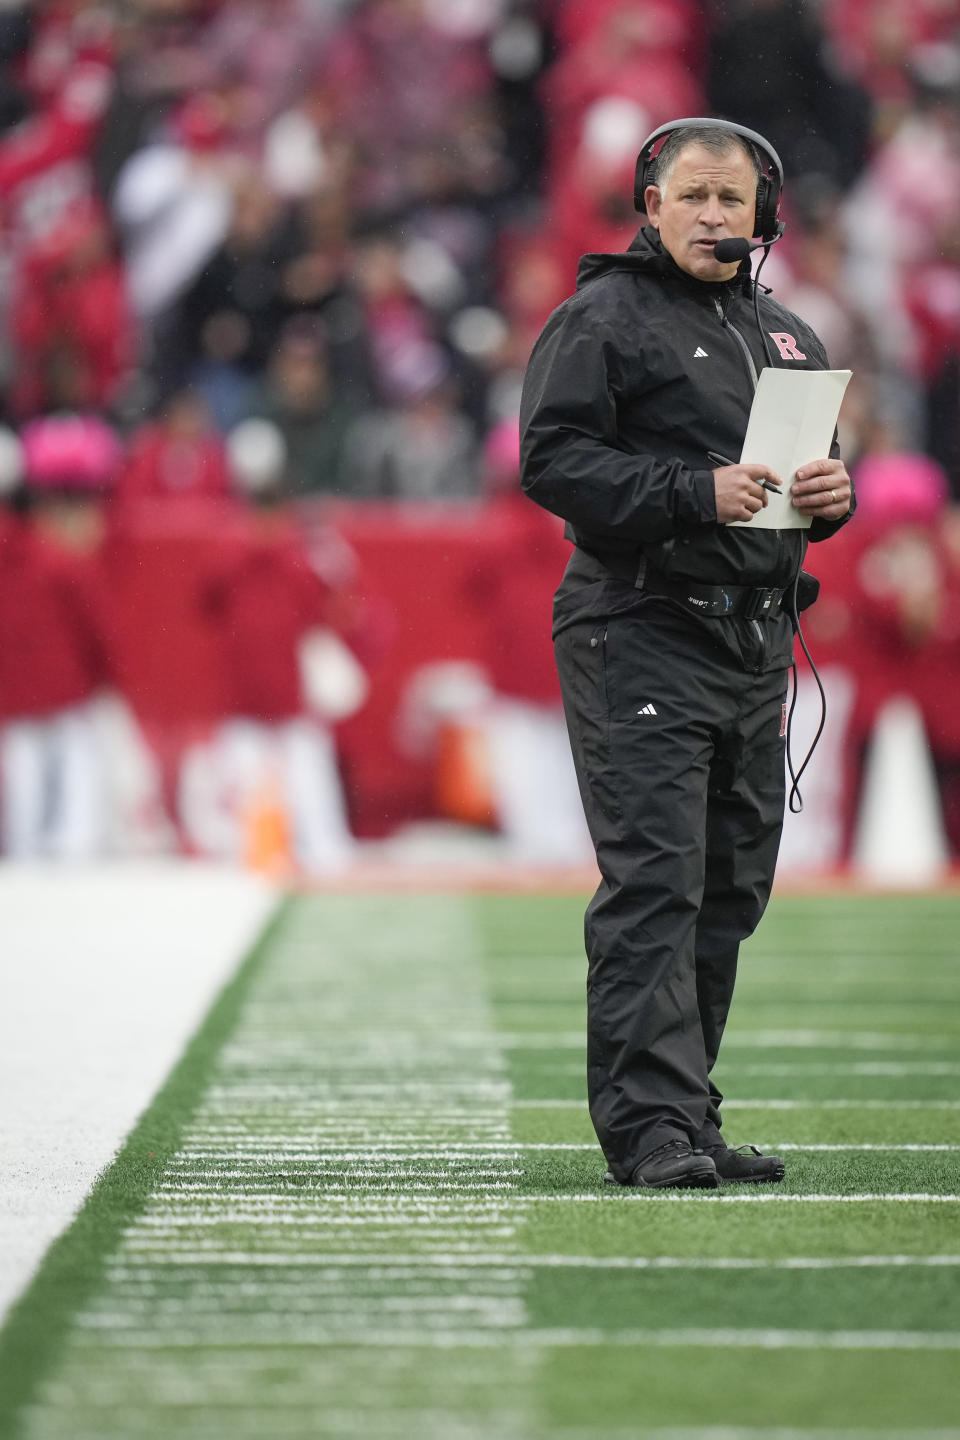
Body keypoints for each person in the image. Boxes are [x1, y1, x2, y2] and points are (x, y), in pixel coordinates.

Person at [519, 118, 855, 1190]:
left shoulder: (790, 334)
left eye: (733, 199)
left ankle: (685, 1108)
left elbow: (810, 475)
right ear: (649, 206)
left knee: (730, 886)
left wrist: (830, 499)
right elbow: (551, 459)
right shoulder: (601, 317)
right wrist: (685, 492)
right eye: (694, 196)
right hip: (642, 620)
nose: (715, 215)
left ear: (766, 214)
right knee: (658, 877)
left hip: (754, 635)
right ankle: (648, 1127)